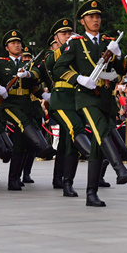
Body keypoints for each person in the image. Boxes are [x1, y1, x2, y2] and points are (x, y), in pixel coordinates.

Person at [54, 0, 127, 207]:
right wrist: (79, 79)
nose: (95, 20)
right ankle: (119, 168)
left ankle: (91, 193)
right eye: (91, 17)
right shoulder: (76, 43)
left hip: (105, 96)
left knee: (98, 146)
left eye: (98, 16)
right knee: (101, 130)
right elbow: (59, 67)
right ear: (83, 21)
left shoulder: (109, 42)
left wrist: (118, 55)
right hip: (86, 96)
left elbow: (121, 70)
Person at [0, 29, 55, 191]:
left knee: (21, 144)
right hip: (9, 104)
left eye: (19, 43)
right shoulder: (1, 63)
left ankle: (14, 179)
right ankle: (41, 146)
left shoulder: (28, 64)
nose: (17, 45)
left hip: (25, 104)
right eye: (13, 43)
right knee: (22, 121)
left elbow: (35, 77)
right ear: (7, 47)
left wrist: (29, 76)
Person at [44, 18, 91, 198]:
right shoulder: (55, 53)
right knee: (75, 131)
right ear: (56, 38)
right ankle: (65, 178)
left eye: (69, 32)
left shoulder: (77, 50)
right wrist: (67, 45)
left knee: (69, 142)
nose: (67, 35)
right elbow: (50, 64)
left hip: (78, 99)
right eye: (63, 33)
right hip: (62, 100)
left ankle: (64, 180)